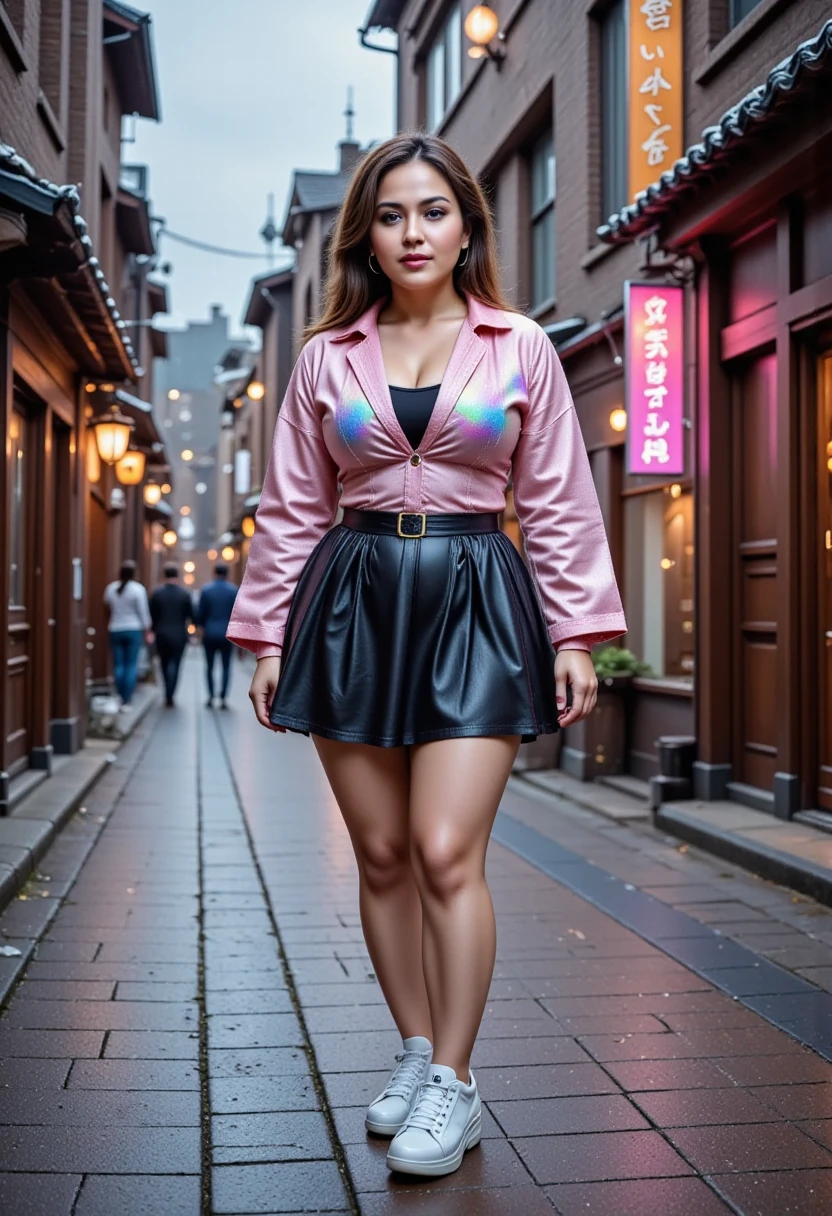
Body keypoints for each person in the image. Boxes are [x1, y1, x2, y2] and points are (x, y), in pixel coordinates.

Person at [227, 133, 626, 1179]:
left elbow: (559, 500)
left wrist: (578, 630)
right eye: (394, 214)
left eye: (434, 212)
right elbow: (293, 509)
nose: (413, 232)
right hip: (351, 601)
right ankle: (413, 1048)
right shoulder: (324, 357)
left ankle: (454, 1080)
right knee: (383, 854)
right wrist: (266, 635)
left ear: (465, 228)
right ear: (368, 230)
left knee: (447, 848)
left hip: (477, 598)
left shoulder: (519, 344)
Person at [104, 560, 153, 710]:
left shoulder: (111, 589)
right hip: (133, 629)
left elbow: (106, 607)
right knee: (131, 665)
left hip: (115, 628)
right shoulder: (138, 590)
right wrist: (147, 629)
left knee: (118, 664)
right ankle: (127, 699)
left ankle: (119, 695)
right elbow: (143, 612)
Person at [149, 562, 193, 708]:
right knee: (176, 664)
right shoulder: (184, 594)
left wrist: (152, 630)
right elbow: (191, 615)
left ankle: (167, 691)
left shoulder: (157, 593)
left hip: (161, 633)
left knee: (164, 663)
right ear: (177, 575)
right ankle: (171, 693)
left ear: (164, 575)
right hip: (179, 633)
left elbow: (152, 615)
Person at [196, 562, 238, 709]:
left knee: (210, 666)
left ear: (215, 573)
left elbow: (200, 613)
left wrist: (200, 627)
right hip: (227, 633)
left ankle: (211, 695)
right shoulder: (233, 591)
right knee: (226, 666)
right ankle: (224, 697)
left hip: (210, 632)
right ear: (227, 574)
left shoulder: (207, 590)